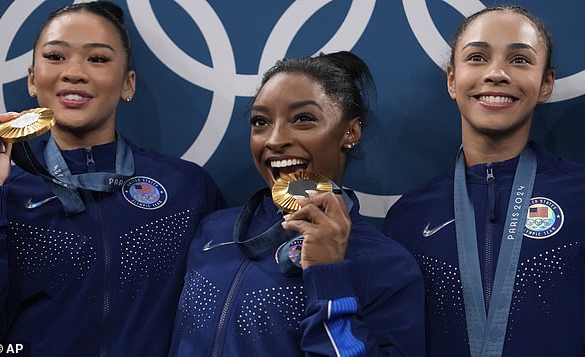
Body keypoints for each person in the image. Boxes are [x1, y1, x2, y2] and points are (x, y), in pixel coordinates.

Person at [383, 5, 585, 357]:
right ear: (452, 80)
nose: (496, 73)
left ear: (546, 84)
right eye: (477, 57)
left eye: (520, 60)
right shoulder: (408, 218)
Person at [0, 2, 224, 356]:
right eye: (55, 56)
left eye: (97, 59)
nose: (74, 72)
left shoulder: (186, 188)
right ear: (32, 79)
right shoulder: (4, 189)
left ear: (128, 84)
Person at [168, 51, 425, 356]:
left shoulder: (385, 263)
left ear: (350, 131)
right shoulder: (213, 230)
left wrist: (329, 274)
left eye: (303, 119)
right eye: (261, 121)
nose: (274, 140)